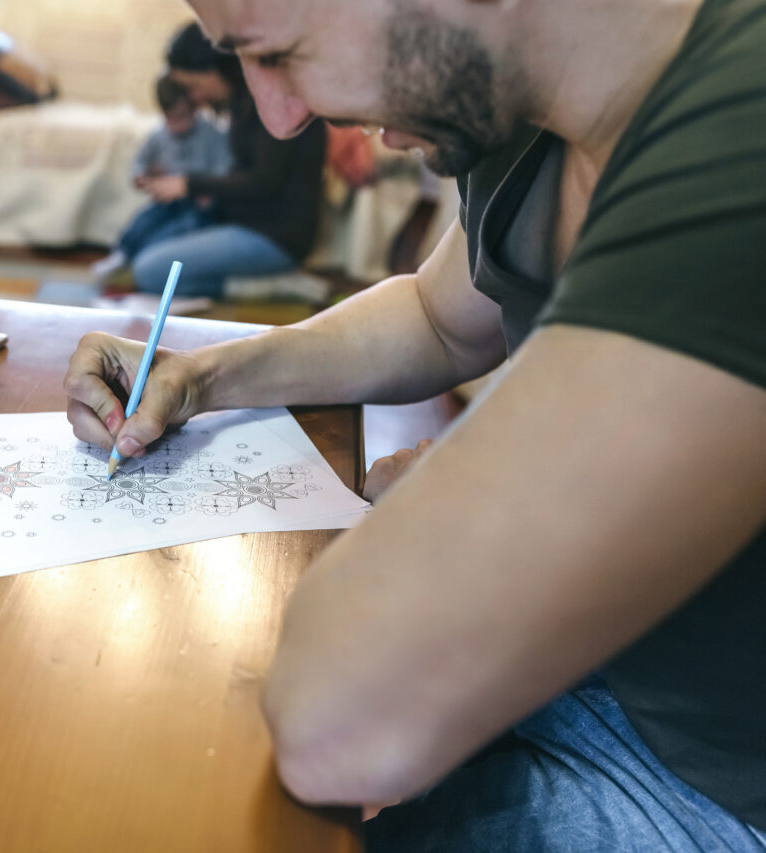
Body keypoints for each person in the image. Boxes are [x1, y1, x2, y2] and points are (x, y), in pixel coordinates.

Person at [64, 0, 766, 848]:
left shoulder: (740, 134)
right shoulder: (518, 113)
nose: (281, 120)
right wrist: (201, 375)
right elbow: (438, 316)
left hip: (709, 786)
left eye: (279, 52)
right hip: (597, 667)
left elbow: (340, 721)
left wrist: (473, 514)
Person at [127, 23, 326, 298]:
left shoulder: (272, 98)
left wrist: (190, 184)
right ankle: (259, 280)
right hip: (240, 222)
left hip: (273, 236)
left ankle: (271, 286)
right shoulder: (241, 99)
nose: (195, 98)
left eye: (194, 86)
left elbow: (265, 181)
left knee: (149, 271)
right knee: (144, 245)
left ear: (215, 69)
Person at [92, 74, 233, 281]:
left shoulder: (212, 134)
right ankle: (122, 254)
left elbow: (224, 169)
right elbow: (139, 162)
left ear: (196, 107)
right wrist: (141, 175)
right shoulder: (159, 135)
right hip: (166, 201)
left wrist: (208, 192)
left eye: (183, 116)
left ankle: (148, 260)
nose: (177, 125)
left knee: (181, 229)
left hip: (198, 205)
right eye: (170, 118)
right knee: (143, 220)